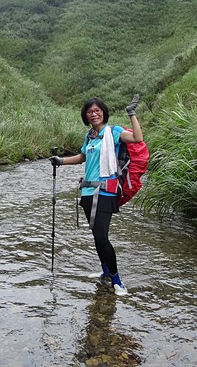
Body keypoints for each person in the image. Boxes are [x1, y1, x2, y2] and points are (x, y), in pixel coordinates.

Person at [50, 94, 144, 296]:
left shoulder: (114, 132)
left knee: (102, 237)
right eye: (89, 111)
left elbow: (137, 138)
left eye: (97, 110)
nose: (93, 114)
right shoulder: (89, 136)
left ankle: (117, 280)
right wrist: (61, 161)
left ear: (103, 112)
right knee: (96, 236)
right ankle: (105, 272)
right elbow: (82, 157)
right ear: (86, 116)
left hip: (106, 191)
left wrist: (132, 114)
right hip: (87, 191)